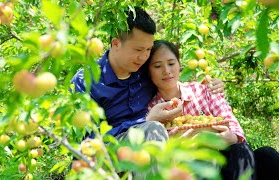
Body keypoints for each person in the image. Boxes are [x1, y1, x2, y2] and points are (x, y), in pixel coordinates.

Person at [71, 7, 224, 143]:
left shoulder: (145, 71)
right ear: (116, 43)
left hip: (149, 148)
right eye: (138, 50)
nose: (144, 57)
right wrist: (146, 121)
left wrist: (210, 86)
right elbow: (86, 140)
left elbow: (172, 82)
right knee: (153, 129)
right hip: (106, 153)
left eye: (148, 49)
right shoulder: (86, 81)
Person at [145, 40, 279, 180]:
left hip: (224, 160)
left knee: (263, 154)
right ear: (148, 71)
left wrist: (230, 137)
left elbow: (234, 128)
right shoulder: (150, 109)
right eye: (157, 66)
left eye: (171, 63)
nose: (166, 71)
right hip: (189, 167)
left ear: (179, 65)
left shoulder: (203, 90)